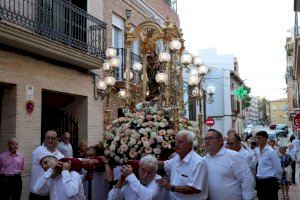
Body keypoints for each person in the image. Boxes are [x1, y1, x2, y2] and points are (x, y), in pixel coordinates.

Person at [156, 130, 207, 200]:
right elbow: (163, 164)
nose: (176, 144)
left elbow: (195, 188)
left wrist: (171, 187)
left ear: (190, 144)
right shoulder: (176, 158)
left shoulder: (197, 162)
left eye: (180, 142)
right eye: (176, 141)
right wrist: (148, 161)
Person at [204, 129, 254, 200]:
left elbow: (247, 179)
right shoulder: (203, 160)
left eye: (211, 138)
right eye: (205, 139)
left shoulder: (234, 156)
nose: (207, 141)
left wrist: (247, 198)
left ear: (220, 141)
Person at [29, 130, 64, 200]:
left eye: (53, 138)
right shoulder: (39, 151)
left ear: (57, 140)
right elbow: (52, 162)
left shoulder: (60, 155)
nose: (50, 140)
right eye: (48, 138)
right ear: (44, 139)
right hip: (36, 195)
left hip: (51, 195)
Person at [255, 131, 282, 200]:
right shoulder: (257, 151)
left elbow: (278, 168)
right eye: (256, 138)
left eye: (259, 138)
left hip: (270, 182)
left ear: (265, 139)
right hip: (259, 181)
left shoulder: (271, 152)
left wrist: (276, 180)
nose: (257, 140)